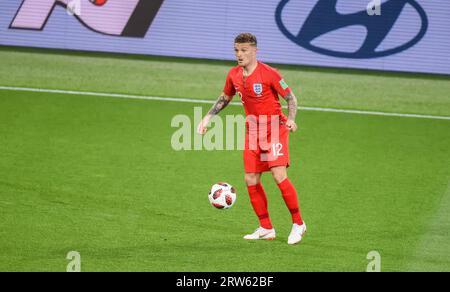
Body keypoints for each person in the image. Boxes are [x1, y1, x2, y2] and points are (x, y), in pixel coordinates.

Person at [197, 33, 306, 245]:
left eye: (244, 50)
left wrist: (291, 119)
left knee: (278, 174)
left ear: (255, 51)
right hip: (253, 131)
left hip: (275, 128)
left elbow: (291, 98)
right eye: (237, 50)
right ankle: (266, 227)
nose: (240, 54)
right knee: (251, 179)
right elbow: (225, 98)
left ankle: (298, 223)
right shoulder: (234, 75)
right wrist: (207, 117)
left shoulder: (269, 74)